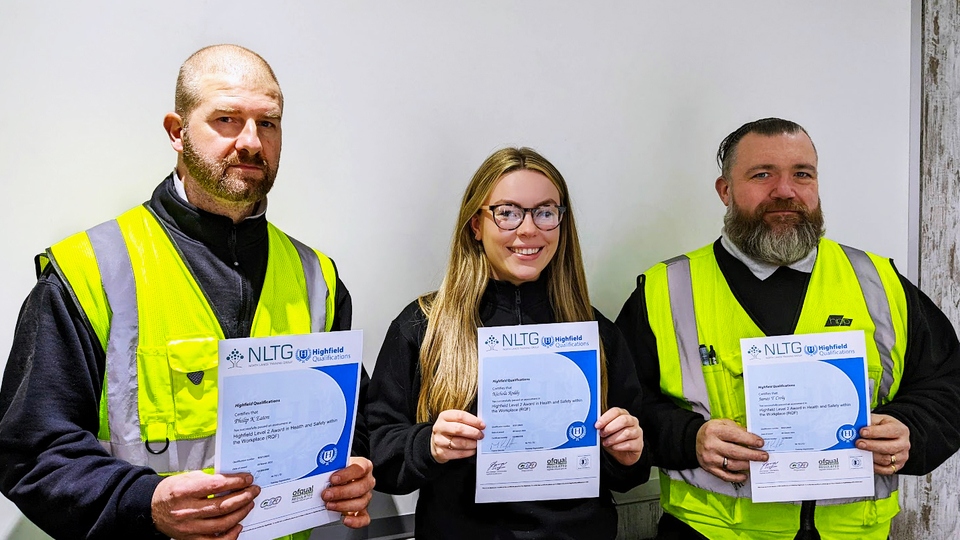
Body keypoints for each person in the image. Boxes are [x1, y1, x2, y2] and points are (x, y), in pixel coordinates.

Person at [0, 44, 375, 539]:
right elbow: (32, 451)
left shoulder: (317, 277)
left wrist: (357, 472)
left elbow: (354, 426)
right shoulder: (89, 270)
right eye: (226, 119)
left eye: (268, 123)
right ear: (177, 133)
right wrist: (145, 503)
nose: (251, 142)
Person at [616, 117, 960, 539]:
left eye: (802, 174)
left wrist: (911, 428)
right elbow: (621, 406)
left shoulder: (878, 281)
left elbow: (948, 385)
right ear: (725, 191)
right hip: (711, 533)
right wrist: (690, 438)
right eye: (763, 175)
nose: (785, 190)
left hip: (856, 533)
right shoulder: (664, 290)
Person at [368, 147, 650, 539]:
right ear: (475, 224)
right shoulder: (424, 325)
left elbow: (629, 472)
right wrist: (428, 443)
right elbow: (378, 455)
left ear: (561, 223)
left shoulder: (595, 332)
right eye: (508, 212)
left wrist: (628, 452)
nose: (529, 229)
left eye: (545, 212)